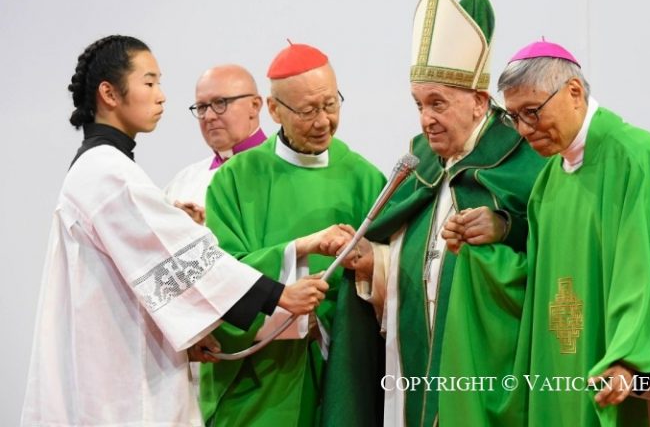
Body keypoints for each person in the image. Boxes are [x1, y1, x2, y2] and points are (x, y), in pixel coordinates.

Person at [21, 35, 329, 427]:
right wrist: (278, 294)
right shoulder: (106, 171)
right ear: (109, 94)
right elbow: (176, 256)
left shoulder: (106, 168)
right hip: (121, 386)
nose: (162, 96)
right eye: (149, 82)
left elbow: (149, 270)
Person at [444, 39, 650, 425]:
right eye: (514, 117)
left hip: (621, 372)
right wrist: (483, 256)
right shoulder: (549, 181)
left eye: (532, 112)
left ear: (573, 92)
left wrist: (630, 359)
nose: (524, 129)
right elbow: (543, 286)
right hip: (559, 374)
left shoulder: (637, 157)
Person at [339, 0, 546, 426]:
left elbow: (551, 260)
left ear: (479, 102)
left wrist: (500, 232)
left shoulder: (526, 160)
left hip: (492, 371)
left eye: (437, 103)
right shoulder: (421, 167)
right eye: (418, 104)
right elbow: (422, 271)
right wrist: (374, 262)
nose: (425, 119)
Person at [199, 42, 386, 426]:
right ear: (274, 110)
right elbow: (218, 274)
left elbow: (388, 279)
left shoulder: (367, 179)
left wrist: (362, 276)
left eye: (330, 104)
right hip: (261, 380)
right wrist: (296, 258)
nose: (323, 122)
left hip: (342, 372)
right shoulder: (235, 179)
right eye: (307, 111)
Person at [165, 64, 267, 224]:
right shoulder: (183, 182)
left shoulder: (282, 169)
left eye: (220, 103)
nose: (209, 116)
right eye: (201, 107)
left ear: (254, 106)